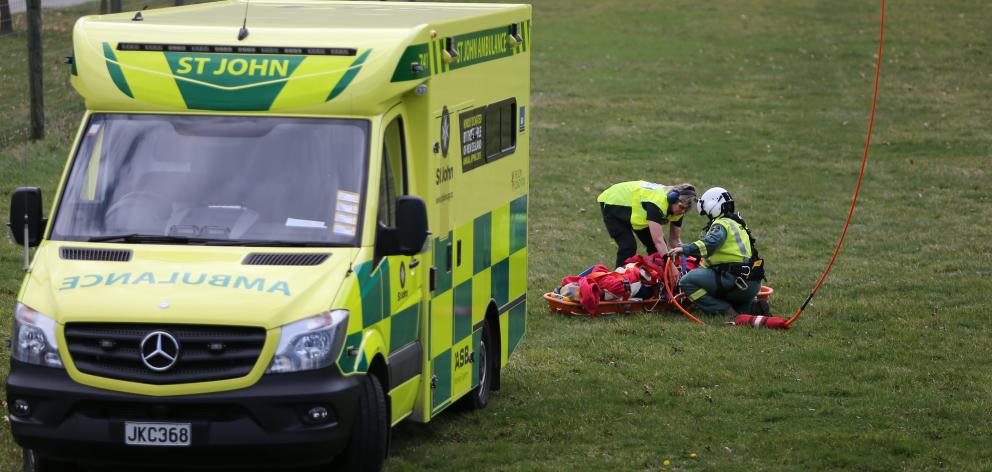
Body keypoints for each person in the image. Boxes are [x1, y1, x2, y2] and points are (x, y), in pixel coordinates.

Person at [667, 187, 765, 316]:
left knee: (687, 281)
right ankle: (751, 308)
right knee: (741, 310)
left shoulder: (721, 224)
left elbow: (710, 244)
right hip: (751, 284)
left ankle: (723, 310)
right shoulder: (738, 223)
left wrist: (685, 249)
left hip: (734, 280)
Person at [598, 181, 697, 268]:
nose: (682, 212)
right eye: (681, 207)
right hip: (614, 202)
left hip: (636, 213)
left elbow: (674, 239)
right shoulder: (657, 203)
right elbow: (658, 240)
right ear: (672, 199)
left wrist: (687, 257)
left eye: (686, 210)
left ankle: (657, 280)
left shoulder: (678, 210)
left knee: (657, 251)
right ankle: (618, 282)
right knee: (628, 246)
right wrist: (670, 266)